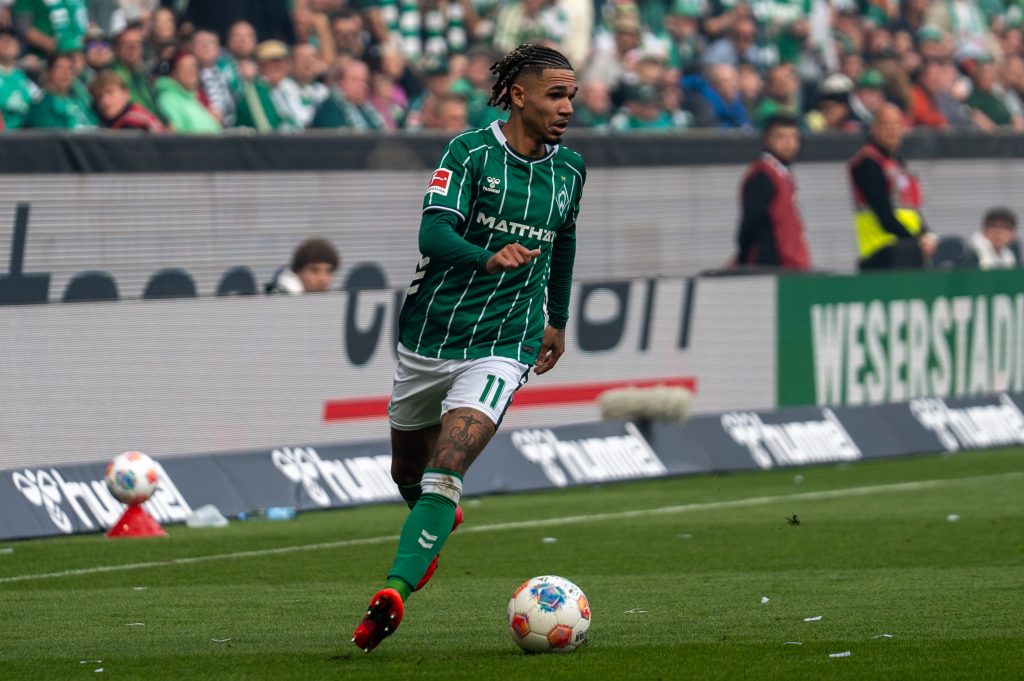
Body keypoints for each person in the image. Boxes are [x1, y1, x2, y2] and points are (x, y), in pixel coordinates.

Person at [351, 43, 584, 653]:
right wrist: (487, 257)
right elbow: (432, 232)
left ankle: (393, 592)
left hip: (506, 341)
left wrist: (557, 318)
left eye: (572, 96)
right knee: (408, 472)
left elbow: (563, 240)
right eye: (556, 95)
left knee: (449, 461)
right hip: (431, 335)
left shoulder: (570, 170)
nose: (567, 107)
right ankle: (437, 512)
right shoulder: (469, 153)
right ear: (518, 95)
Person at [848, 103, 936, 271]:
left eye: (897, 124)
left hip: (905, 252)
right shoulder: (867, 163)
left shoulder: (897, 163)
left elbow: (910, 209)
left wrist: (926, 234)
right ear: (874, 128)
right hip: (879, 253)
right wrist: (916, 241)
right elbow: (883, 212)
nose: (893, 130)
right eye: (886, 124)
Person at [735, 114, 811, 270]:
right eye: (781, 137)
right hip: (773, 265)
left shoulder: (782, 174)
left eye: (793, 137)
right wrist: (744, 259)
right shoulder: (763, 175)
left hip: (792, 264)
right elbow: (751, 222)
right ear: (767, 140)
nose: (789, 143)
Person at [23, 51, 96, 129]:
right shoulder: (40, 105)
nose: (65, 73)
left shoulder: (79, 102)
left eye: (70, 68)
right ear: (49, 72)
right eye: (60, 68)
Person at [154, 51, 222, 133]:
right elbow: (176, 135)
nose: (191, 71)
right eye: (185, 67)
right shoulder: (168, 100)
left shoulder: (195, 98)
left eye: (194, 66)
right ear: (174, 73)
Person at [90, 69, 164, 131]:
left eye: (110, 93)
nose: (104, 101)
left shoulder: (134, 123)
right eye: (99, 97)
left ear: (126, 93)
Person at [265, 238, 341, 293]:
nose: (322, 278)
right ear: (298, 271)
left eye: (328, 271)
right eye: (314, 270)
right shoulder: (280, 302)